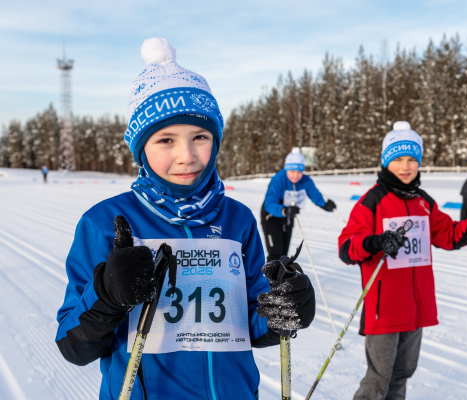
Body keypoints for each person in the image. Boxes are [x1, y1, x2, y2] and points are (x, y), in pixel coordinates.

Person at [55, 38, 315, 400]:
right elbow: (73, 345)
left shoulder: (237, 219)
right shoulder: (105, 222)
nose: (187, 156)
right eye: (165, 140)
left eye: (200, 137)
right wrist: (108, 295)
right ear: (141, 148)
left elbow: (250, 322)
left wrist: (282, 313)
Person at [338, 121, 467, 400]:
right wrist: (376, 242)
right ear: (386, 162)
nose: (406, 166)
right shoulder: (373, 201)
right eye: (398, 159)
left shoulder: (423, 201)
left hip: (415, 307)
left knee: (402, 375)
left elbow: (446, 234)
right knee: (378, 381)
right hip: (384, 308)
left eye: (412, 159)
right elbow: (347, 247)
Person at [261, 147, 336, 262]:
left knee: (284, 256)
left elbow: (315, 195)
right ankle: (270, 280)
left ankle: (282, 280)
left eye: (299, 172)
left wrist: (326, 205)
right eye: (292, 171)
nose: (295, 175)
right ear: (286, 169)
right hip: (272, 218)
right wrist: (284, 210)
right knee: (275, 254)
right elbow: (269, 203)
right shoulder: (278, 179)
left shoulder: (305, 181)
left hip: (288, 219)